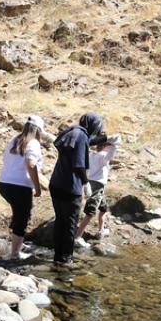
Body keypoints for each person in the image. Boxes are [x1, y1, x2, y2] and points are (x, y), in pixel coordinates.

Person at [49, 113, 103, 264]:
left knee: (60, 221)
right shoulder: (81, 137)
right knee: (70, 225)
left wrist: (104, 139)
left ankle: (57, 256)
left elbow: (85, 142)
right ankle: (66, 259)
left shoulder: (73, 131)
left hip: (56, 183)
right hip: (70, 188)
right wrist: (86, 183)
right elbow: (79, 164)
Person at [0, 115, 46, 260]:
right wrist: (37, 187)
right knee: (22, 218)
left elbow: (5, 159)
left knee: (20, 213)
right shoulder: (34, 143)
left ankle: (16, 243)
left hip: (4, 183)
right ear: (38, 130)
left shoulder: (14, 139)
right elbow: (31, 165)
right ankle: (15, 253)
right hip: (19, 186)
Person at [75, 132, 122, 247]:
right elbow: (114, 147)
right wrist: (113, 142)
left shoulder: (91, 155)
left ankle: (101, 231)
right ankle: (77, 237)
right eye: (108, 146)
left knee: (103, 208)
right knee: (90, 212)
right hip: (97, 186)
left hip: (92, 183)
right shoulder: (103, 156)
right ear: (106, 146)